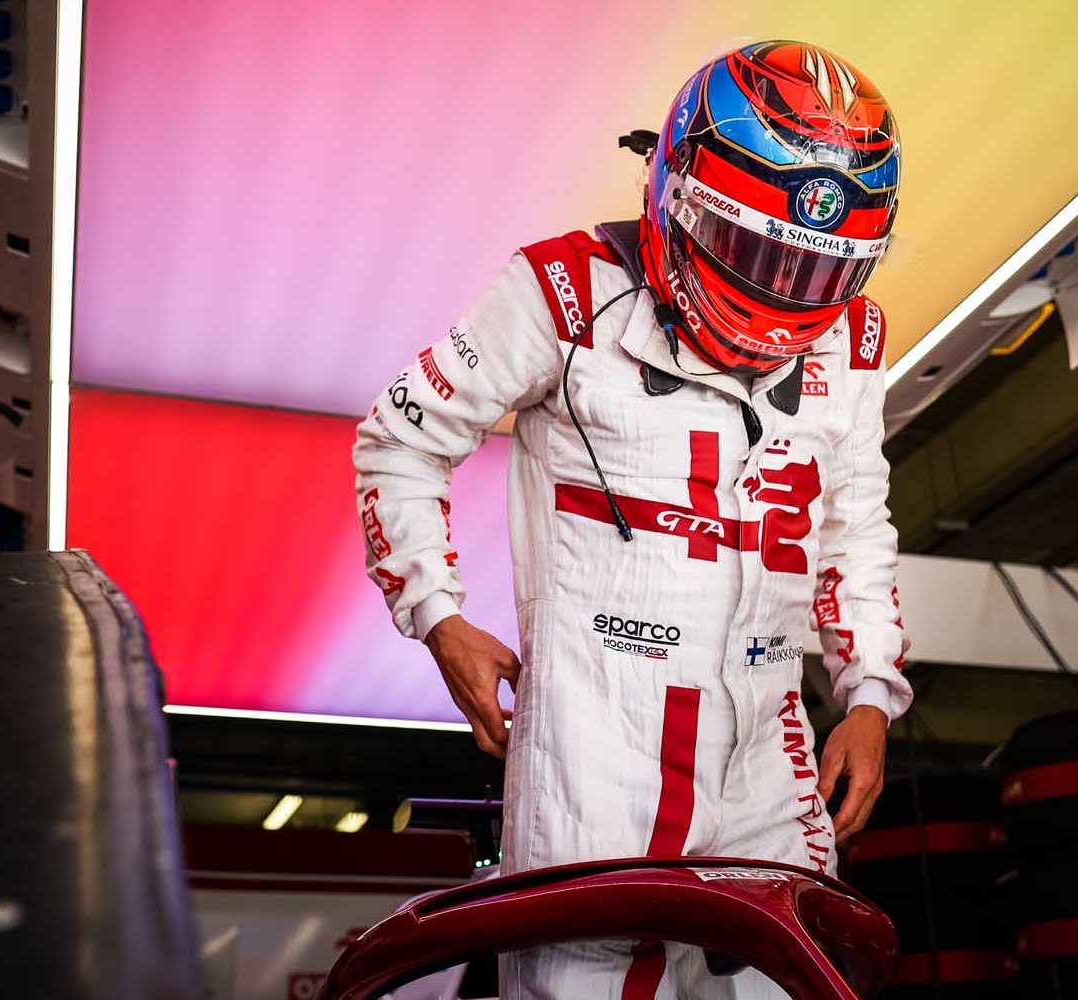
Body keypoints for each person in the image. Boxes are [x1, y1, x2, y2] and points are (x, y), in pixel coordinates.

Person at [353, 40, 911, 1000]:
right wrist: (437, 616)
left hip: (770, 746)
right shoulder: (558, 290)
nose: (784, 291)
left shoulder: (855, 339)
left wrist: (868, 691)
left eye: (818, 267)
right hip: (592, 745)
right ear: (679, 193)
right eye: (760, 249)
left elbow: (854, 519)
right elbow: (398, 440)